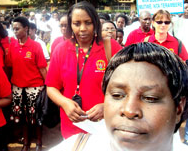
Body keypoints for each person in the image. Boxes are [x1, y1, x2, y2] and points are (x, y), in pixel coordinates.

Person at [49, 42, 188, 151]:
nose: (129, 110)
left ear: (179, 108)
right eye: (117, 95)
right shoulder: (74, 147)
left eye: (150, 98)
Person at [46, 1, 122, 139]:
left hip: (105, 126)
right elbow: (51, 87)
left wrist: (107, 106)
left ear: (95, 24)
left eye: (88, 22)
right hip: (72, 128)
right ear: (70, 25)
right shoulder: (60, 50)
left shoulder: (110, 47)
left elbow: (128, 86)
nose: (82, 28)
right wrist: (65, 103)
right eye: (77, 23)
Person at [6, 16, 47, 151]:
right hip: (17, 88)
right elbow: (10, 66)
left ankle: (39, 143)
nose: (15, 31)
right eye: (14, 29)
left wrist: (47, 86)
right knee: (22, 118)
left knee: (36, 118)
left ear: (26, 29)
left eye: (18, 28)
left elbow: (42, 68)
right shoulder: (12, 46)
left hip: (34, 88)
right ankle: (26, 143)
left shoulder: (36, 46)